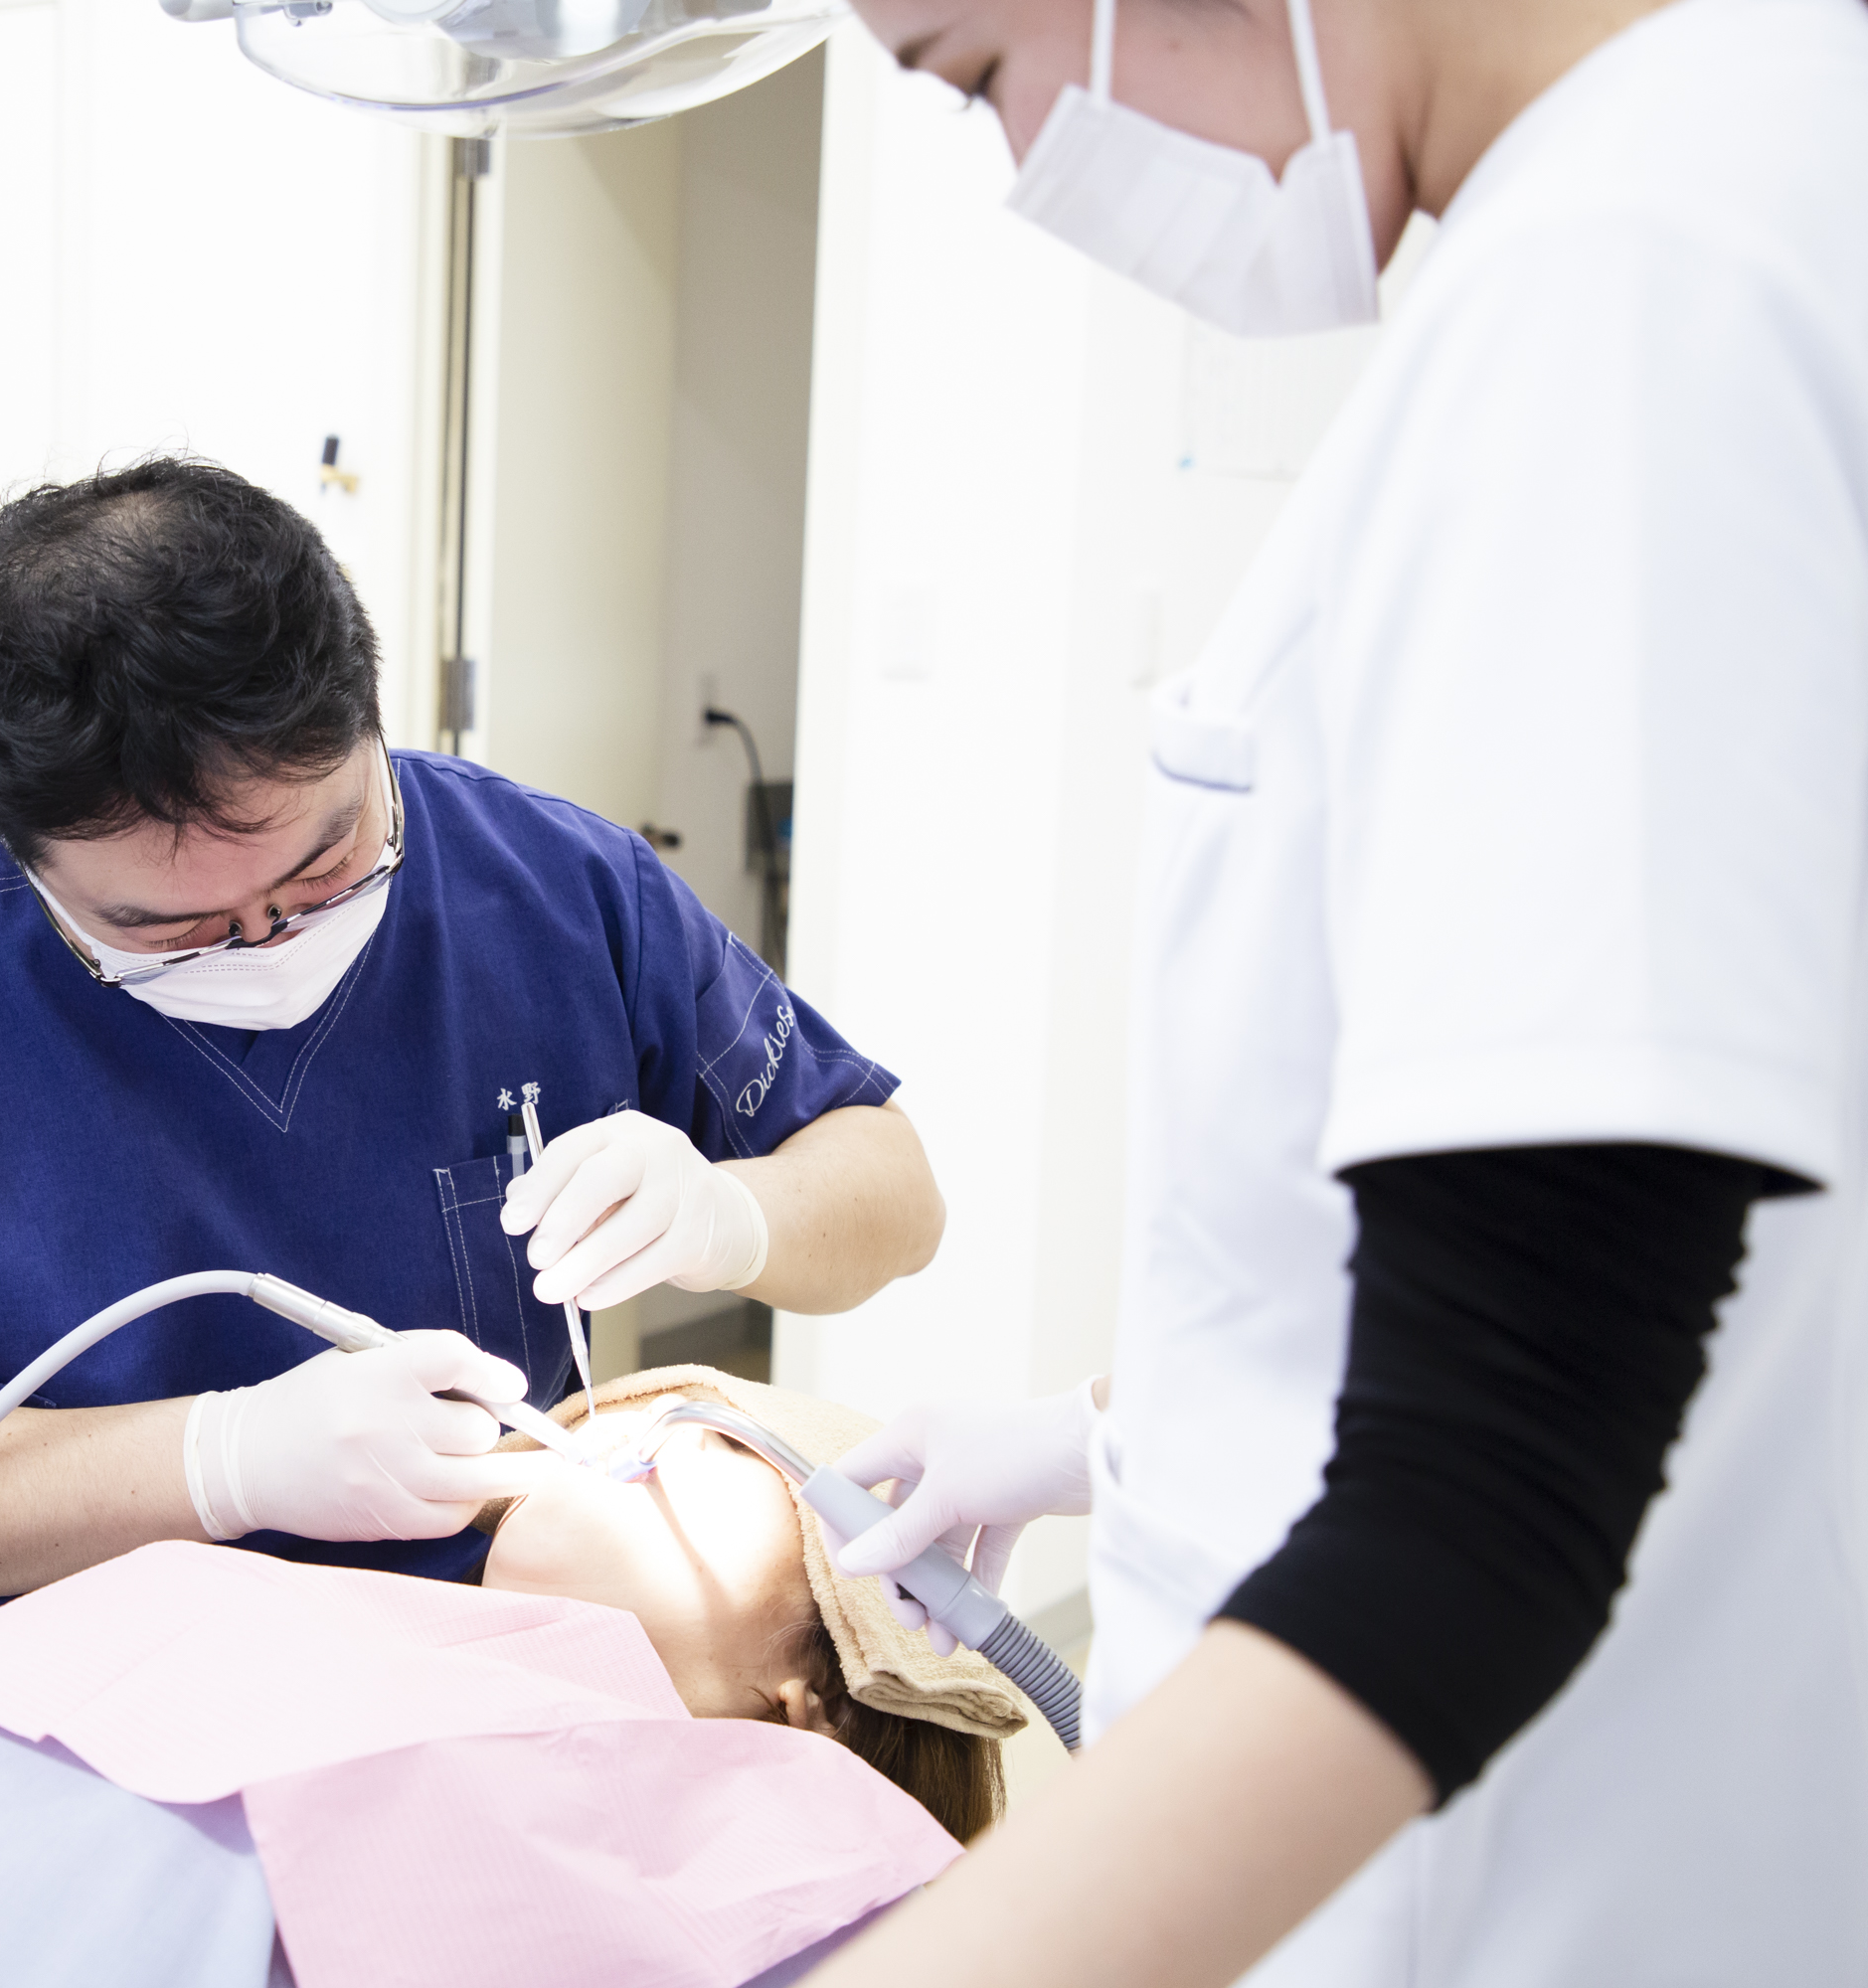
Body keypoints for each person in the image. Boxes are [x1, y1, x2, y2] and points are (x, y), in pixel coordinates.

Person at [787, 0, 1868, 1983]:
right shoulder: (1727, 181)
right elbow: (1622, 1198)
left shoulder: (1620, 296)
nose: (1027, 160)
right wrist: (1110, 1432)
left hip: (1500, 1879)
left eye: (973, 73)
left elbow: (1492, 1496)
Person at [0, 457, 949, 1768]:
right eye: (172, 927)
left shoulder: (557, 888)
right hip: (22, 1748)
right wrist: (221, 1461)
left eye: (325, 864)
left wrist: (733, 1212)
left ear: (368, 716)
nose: (268, 937)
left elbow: (893, 1190)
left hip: (451, 1719)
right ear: (19, 850)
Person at [0, 1370, 1021, 1988]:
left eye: (740, 1461)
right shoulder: (365, 1631)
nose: (660, 1428)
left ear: (809, 1699)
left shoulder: (809, 1841)